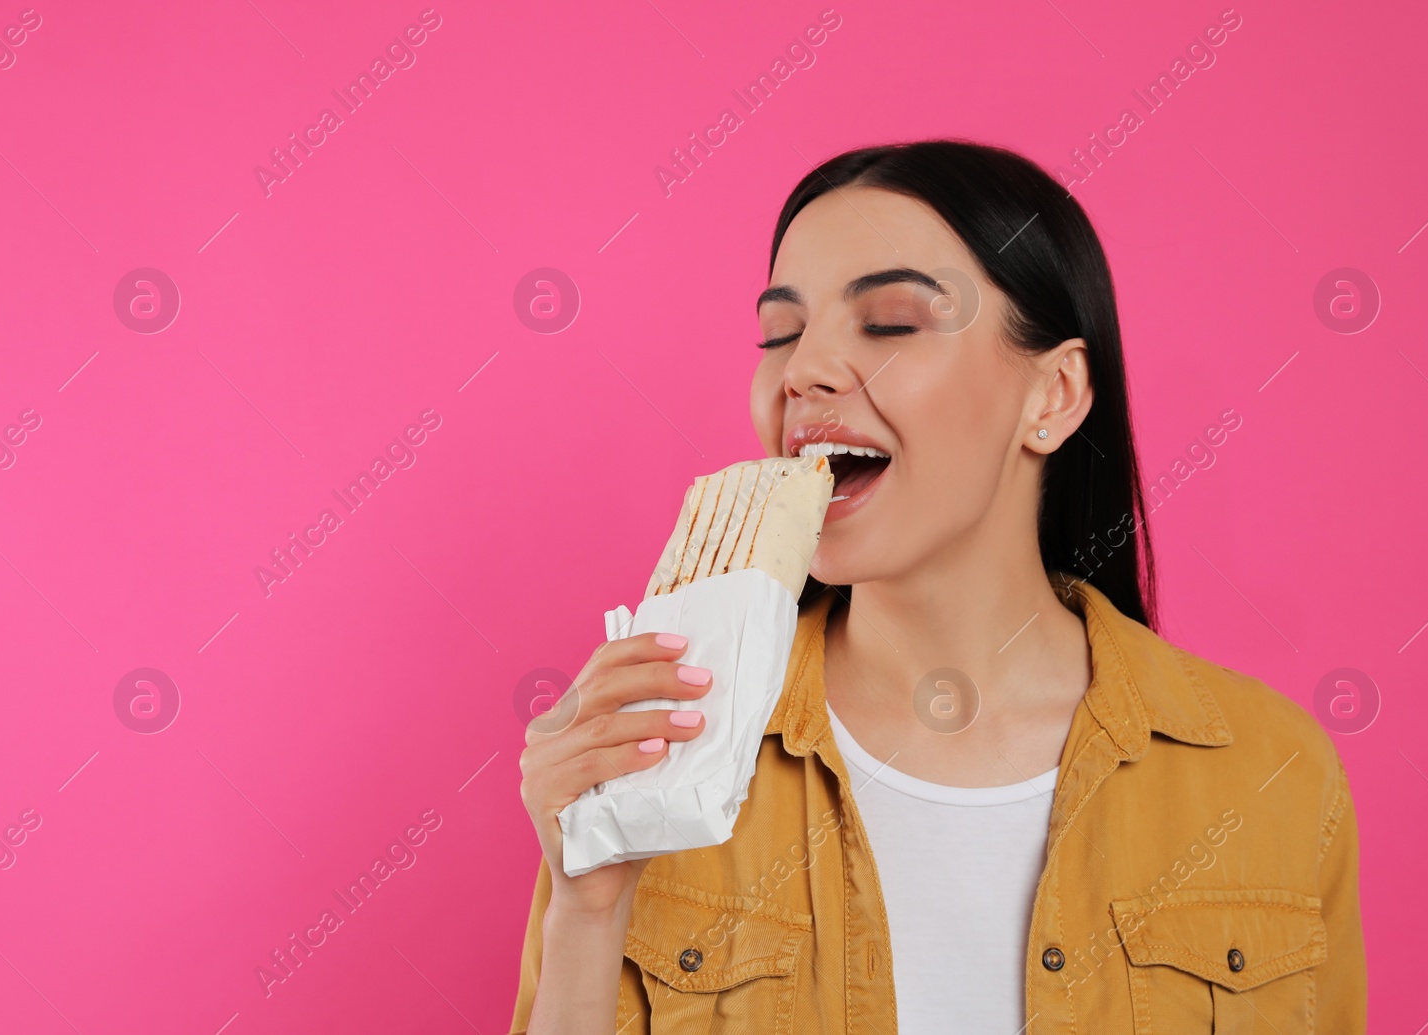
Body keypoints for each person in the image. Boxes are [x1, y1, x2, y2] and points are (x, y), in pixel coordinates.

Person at [510, 139, 1367, 1034]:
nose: (803, 370)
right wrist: (589, 910)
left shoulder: (1271, 774)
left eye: (888, 323)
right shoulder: (658, 755)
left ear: (1055, 395)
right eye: (781, 333)